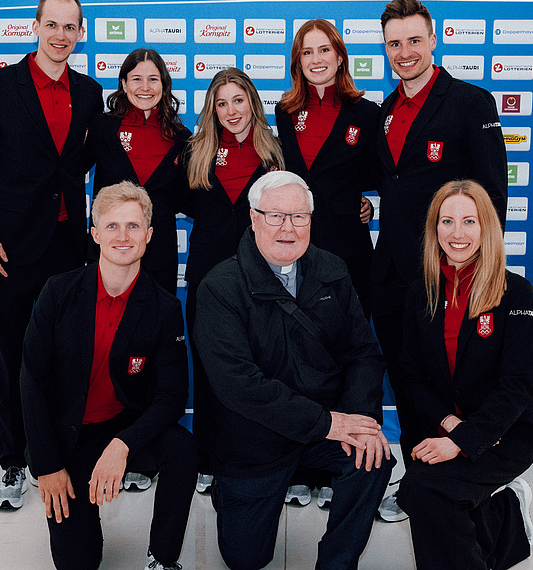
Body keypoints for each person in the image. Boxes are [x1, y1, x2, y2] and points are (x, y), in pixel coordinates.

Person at [194, 171, 394, 570]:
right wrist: (327, 423)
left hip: (324, 423)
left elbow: (364, 354)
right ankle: (229, 492)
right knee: (244, 559)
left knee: (374, 458)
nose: (289, 228)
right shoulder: (219, 287)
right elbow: (239, 386)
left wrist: (356, 421)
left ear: (311, 220)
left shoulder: (332, 269)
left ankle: (337, 562)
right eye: (276, 216)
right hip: (254, 439)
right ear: (253, 219)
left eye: (299, 217)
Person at [0, 0, 103, 510]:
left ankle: (60, 456)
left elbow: (78, 160)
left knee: (66, 357)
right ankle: (14, 462)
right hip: (10, 251)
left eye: (71, 27)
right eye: (52, 25)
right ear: (35, 27)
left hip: (68, 248)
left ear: (80, 33)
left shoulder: (88, 92)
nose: (61, 35)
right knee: (12, 355)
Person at [371, 0, 508, 521]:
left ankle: (468, 472)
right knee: (410, 382)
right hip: (392, 276)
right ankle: (417, 476)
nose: (404, 52)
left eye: (413, 40)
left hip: (448, 275)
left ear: (434, 41)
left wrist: (475, 271)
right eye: (393, 43)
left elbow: (491, 197)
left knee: (458, 377)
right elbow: (395, 184)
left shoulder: (472, 103)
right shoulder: (385, 111)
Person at [21, 182, 197, 570]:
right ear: (95, 233)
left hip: (124, 428)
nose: (123, 236)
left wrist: (122, 444)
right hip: (69, 435)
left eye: (133, 226)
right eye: (113, 226)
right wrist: (47, 466)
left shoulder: (164, 308)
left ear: (149, 236)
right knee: (78, 563)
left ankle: (163, 559)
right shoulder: (57, 292)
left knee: (182, 450)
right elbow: (31, 380)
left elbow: (171, 396)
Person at [394, 179, 533, 569]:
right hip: (437, 428)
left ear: (486, 228)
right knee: (433, 497)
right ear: (434, 228)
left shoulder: (516, 292)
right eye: (447, 221)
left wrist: (467, 438)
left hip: (503, 433)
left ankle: (498, 512)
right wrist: (449, 426)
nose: (457, 233)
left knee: (422, 491)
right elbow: (409, 378)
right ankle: (504, 516)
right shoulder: (419, 292)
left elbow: (517, 388)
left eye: (469, 221)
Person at [182, 68, 283, 494]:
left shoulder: (275, 153)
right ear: (212, 109)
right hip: (207, 275)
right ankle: (207, 456)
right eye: (221, 103)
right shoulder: (195, 152)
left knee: (257, 367)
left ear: (252, 104)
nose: (230, 111)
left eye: (238, 100)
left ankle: (257, 455)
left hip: (258, 276)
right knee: (209, 366)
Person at [275, 18, 379, 318]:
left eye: (324, 49)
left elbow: (377, 173)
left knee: (351, 339)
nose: (316, 59)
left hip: (348, 246)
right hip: (296, 246)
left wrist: (364, 203)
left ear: (340, 56)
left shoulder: (367, 113)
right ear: (298, 61)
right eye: (307, 52)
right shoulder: (285, 110)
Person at [86, 48, 191, 296]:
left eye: (153, 79)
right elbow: (67, 171)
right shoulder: (101, 128)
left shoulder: (181, 138)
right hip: (110, 249)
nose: (145, 87)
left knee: (158, 325)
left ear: (164, 85)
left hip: (160, 252)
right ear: (124, 83)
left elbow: (187, 198)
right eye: (136, 79)